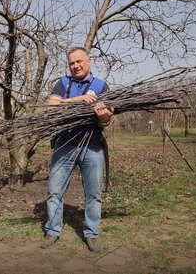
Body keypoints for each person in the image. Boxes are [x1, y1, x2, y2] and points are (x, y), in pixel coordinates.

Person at [41, 47, 114, 252]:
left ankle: (91, 234)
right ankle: (53, 231)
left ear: (89, 62)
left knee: (94, 193)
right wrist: (77, 100)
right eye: (72, 63)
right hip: (65, 144)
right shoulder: (63, 83)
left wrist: (102, 116)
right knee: (55, 192)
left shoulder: (101, 85)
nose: (76, 66)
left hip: (92, 147)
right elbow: (51, 107)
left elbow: (106, 119)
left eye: (79, 61)